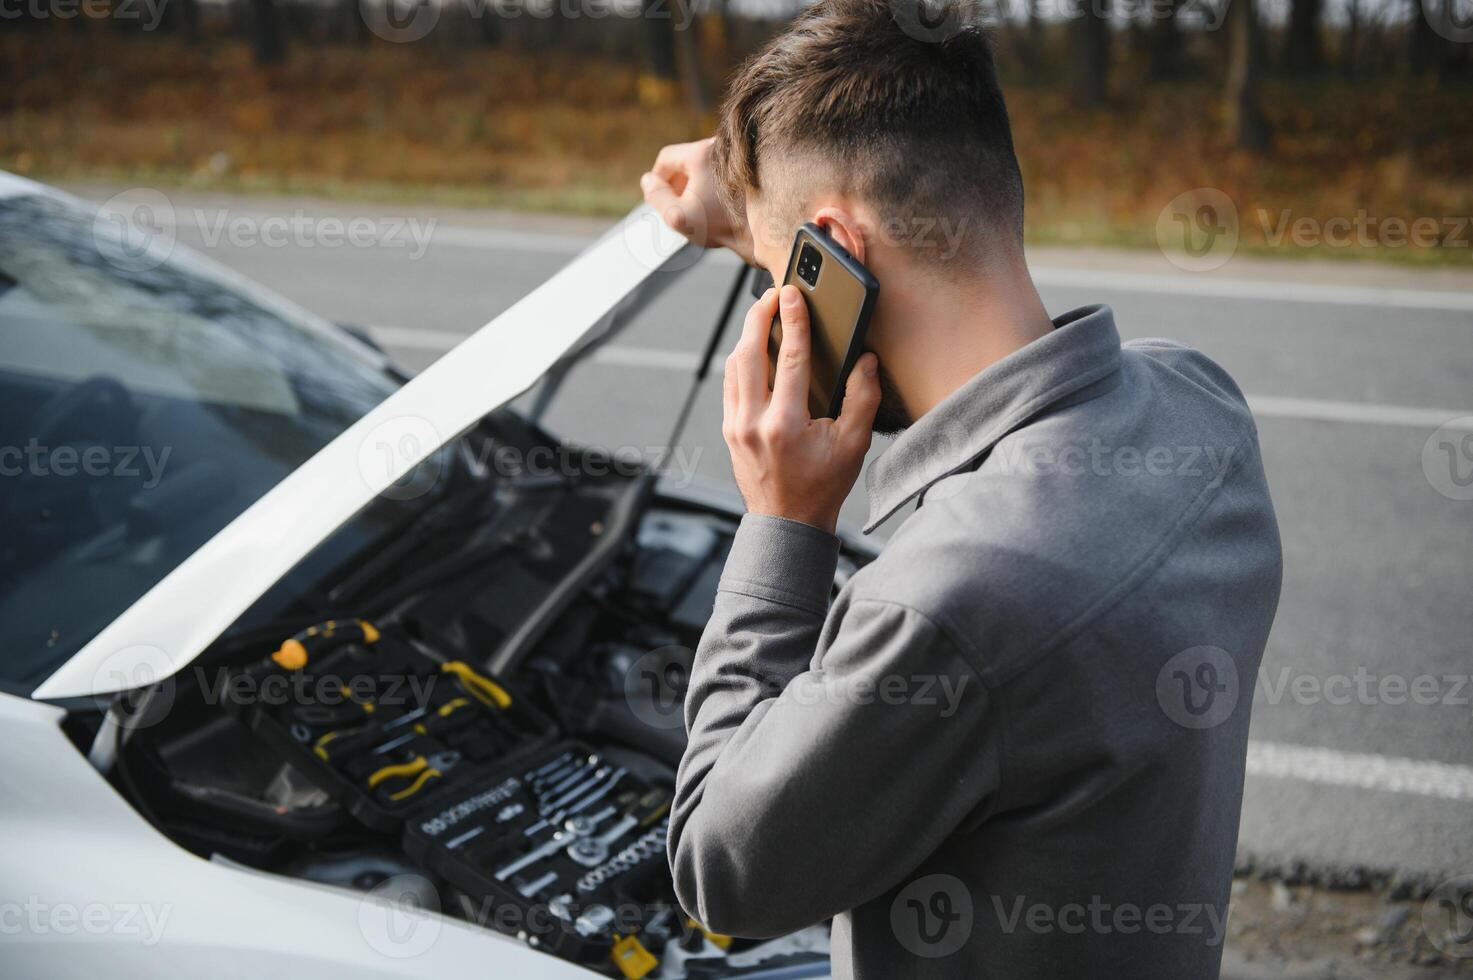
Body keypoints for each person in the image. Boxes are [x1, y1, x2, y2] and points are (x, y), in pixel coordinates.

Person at [641, 1, 1283, 976]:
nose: (780, 303)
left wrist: (784, 519)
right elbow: (849, 218)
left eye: (782, 275)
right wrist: (758, 199)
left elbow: (720, 867)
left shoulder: (950, 603)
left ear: (834, 255)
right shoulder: (1200, 409)